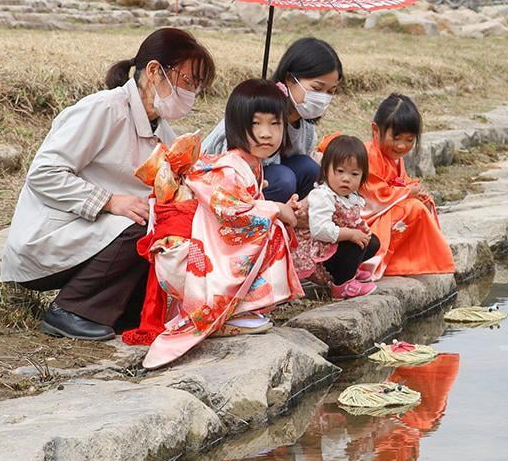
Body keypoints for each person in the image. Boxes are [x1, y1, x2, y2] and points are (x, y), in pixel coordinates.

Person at [0, 28, 215, 341]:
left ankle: (122, 312)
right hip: (48, 240)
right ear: (155, 71)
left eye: (197, 86)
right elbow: (44, 173)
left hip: (94, 237)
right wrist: (110, 201)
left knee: (168, 220)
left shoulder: (165, 134)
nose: (192, 93)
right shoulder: (104, 109)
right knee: (144, 220)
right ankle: (72, 310)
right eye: (188, 81)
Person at [134, 79, 303, 370]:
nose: (266, 133)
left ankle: (240, 308)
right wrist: (276, 209)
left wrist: (280, 209)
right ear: (236, 126)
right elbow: (233, 214)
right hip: (187, 258)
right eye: (256, 124)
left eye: (275, 124)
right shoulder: (227, 166)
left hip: (202, 253)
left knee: (272, 223)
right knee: (271, 228)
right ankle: (232, 313)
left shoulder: (248, 164)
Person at [202, 37, 342, 203]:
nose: (322, 98)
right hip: (229, 178)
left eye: (330, 91)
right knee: (284, 179)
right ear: (290, 79)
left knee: (310, 168)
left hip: (270, 176)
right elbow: (229, 164)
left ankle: (295, 216)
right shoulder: (259, 109)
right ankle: (265, 219)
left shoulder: (306, 127)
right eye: (317, 89)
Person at [361, 93, 456, 278]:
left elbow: (401, 182)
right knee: (412, 209)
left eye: (409, 140)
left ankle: (413, 261)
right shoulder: (368, 155)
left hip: (385, 210)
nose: (402, 146)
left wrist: (415, 191)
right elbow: (372, 197)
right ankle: (391, 263)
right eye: (396, 138)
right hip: (367, 220)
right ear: (375, 130)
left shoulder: (395, 159)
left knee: (421, 203)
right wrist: (406, 193)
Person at [293, 135, 379, 299]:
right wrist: (351, 233)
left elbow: (352, 220)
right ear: (326, 170)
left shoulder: (350, 196)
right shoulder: (323, 196)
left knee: (372, 241)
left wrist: (361, 231)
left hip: (332, 246)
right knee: (354, 244)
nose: (346, 178)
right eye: (340, 171)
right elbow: (320, 230)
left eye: (354, 174)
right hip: (319, 254)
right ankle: (341, 285)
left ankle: (350, 270)